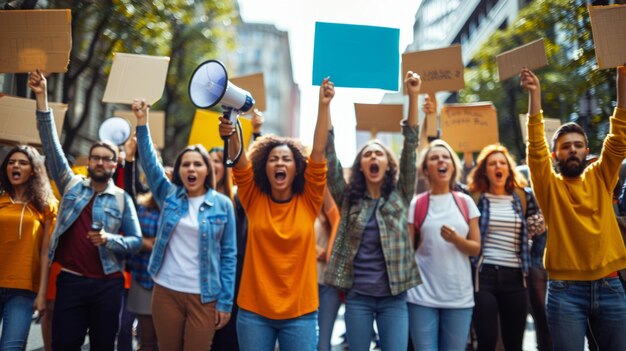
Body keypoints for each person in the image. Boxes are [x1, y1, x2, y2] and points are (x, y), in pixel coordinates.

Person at [31, 70, 142, 351]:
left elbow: (136, 241)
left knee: (104, 346)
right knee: (64, 344)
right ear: (89, 162)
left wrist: (109, 240)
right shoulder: (71, 186)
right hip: (71, 282)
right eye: (96, 158)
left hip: (109, 286)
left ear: (115, 166)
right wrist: (42, 97)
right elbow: (51, 146)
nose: (101, 163)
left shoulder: (122, 199)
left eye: (107, 160)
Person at [218, 78, 331, 351]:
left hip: (301, 314)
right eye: (273, 159)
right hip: (254, 313)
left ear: (297, 168)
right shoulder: (254, 199)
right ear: (264, 167)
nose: (280, 162)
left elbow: (317, 152)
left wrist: (323, 105)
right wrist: (231, 130)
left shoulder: (309, 201)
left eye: (286, 159)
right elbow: (240, 165)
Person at [522, 65, 626, 350]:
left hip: (610, 285)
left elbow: (618, 139)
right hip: (565, 291)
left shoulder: (602, 176)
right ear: (556, 154)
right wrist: (535, 95)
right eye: (566, 146)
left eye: (578, 145)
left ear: (586, 150)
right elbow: (535, 150)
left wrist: (623, 77)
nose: (572, 150)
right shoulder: (549, 186)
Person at [324, 72, 422, 351]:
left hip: (394, 297)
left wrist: (413, 96)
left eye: (378, 153)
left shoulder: (401, 194)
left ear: (388, 165)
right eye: (367, 154)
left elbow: (411, 146)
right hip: (358, 298)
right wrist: (326, 105)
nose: (373, 157)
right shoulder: (349, 199)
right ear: (361, 166)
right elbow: (330, 158)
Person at [132, 99, 237, 350]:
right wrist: (142, 122)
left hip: (205, 295)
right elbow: (150, 163)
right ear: (179, 171)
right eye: (186, 164)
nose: (191, 168)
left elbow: (229, 256)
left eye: (198, 164)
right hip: (166, 290)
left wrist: (225, 302)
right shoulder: (169, 195)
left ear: (207, 170)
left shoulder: (223, 205)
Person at [466, 143, 544, 351]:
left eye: (502, 162)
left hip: (516, 277)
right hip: (484, 277)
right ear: (485, 170)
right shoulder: (474, 198)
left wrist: (537, 226)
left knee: (514, 344)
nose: (497, 166)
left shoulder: (523, 197)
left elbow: (538, 230)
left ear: (509, 169)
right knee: (487, 341)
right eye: (492, 163)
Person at [407, 139, 481, 351]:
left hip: (458, 298)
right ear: (426, 169)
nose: (441, 160)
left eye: (446, 157)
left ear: (452, 165)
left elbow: (476, 248)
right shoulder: (418, 203)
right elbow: (409, 251)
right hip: (421, 298)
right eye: (434, 158)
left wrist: (457, 240)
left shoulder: (465, 202)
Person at [0, 145, 58, 350]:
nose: (15, 165)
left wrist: (42, 293)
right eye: (11, 162)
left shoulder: (46, 206)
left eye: (22, 163)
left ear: (33, 170)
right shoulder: (0, 200)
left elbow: (45, 253)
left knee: (11, 348)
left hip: (23, 290)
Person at [122, 135, 159, 350]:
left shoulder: (176, 205)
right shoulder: (142, 205)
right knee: (146, 340)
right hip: (142, 277)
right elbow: (131, 190)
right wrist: (129, 159)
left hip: (171, 282)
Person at [316, 187, 341, 351]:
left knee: (322, 343)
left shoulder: (328, 207)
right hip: (301, 285)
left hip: (326, 283)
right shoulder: (295, 204)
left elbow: (337, 221)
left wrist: (328, 253)